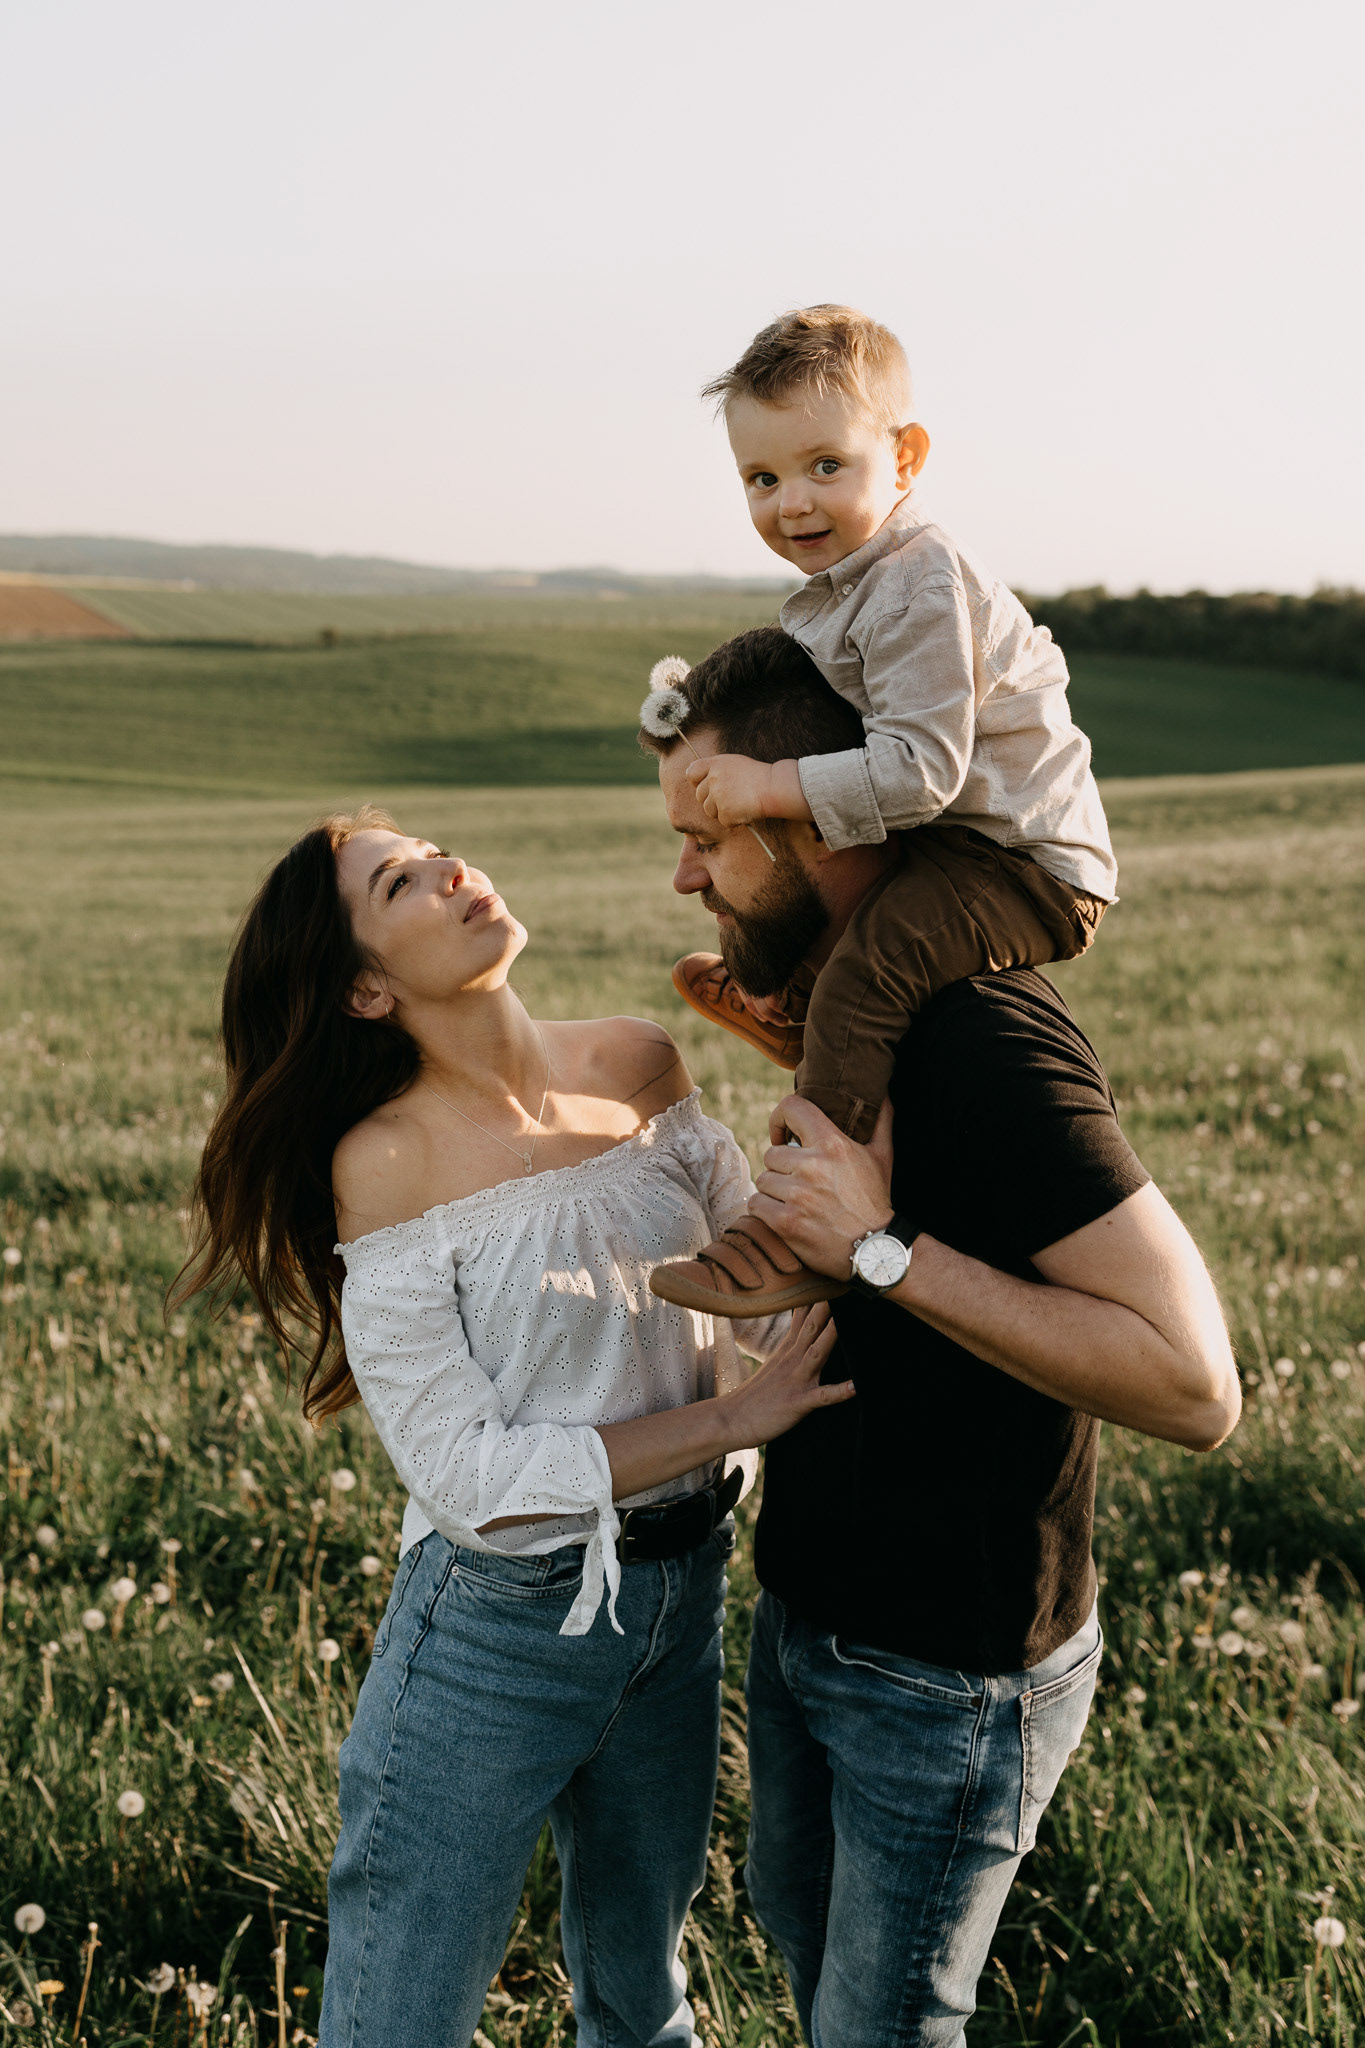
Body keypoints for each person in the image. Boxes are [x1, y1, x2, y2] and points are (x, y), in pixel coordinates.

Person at [175, 804, 856, 2048]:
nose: (448, 866)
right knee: (400, 2018)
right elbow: (472, 1479)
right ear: (367, 990)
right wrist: (731, 1417)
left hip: (681, 1596)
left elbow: (772, 1291)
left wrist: (837, 1084)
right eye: (398, 883)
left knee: (644, 1997)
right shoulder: (384, 1160)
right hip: (496, 1633)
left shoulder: (640, 1061)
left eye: (432, 849)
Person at [640, 636, 1240, 2046]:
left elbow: (1193, 1383)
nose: (684, 876)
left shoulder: (983, 1036)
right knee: (801, 1940)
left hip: (948, 1664)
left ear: (823, 817)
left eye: (708, 837)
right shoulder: (878, 1007)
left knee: (885, 2025)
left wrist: (878, 1250)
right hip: (814, 1609)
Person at [652, 304, 1118, 1316]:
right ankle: (800, 1010)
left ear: (904, 458)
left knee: (869, 971)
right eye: (761, 478)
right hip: (962, 846)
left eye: (825, 465)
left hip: (1026, 865)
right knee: (852, 922)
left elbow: (919, 773)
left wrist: (769, 787)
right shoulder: (855, 582)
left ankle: (798, 1223)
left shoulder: (914, 582)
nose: (792, 502)